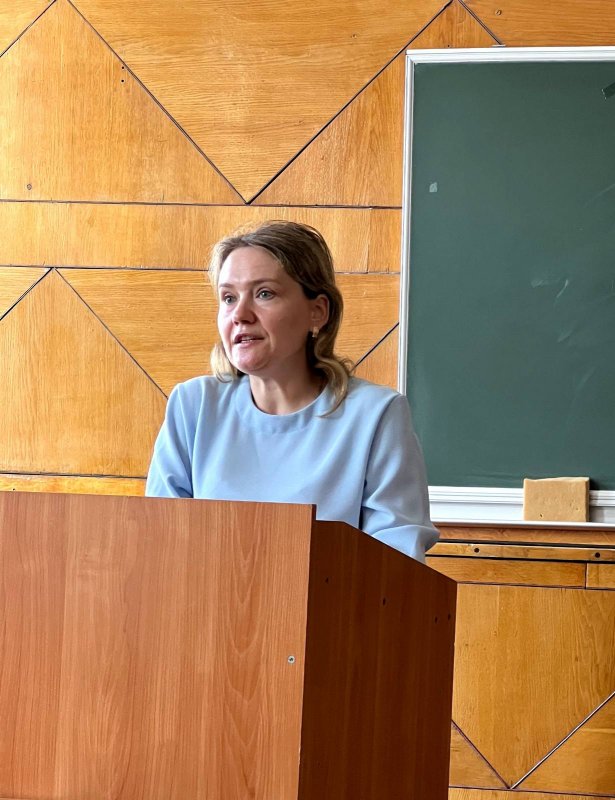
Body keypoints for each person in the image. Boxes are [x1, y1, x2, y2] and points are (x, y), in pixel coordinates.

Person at [145, 220, 438, 562]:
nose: (240, 315)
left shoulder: (376, 415)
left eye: (264, 294)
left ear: (318, 312)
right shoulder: (192, 406)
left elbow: (396, 563)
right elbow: (160, 545)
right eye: (228, 298)